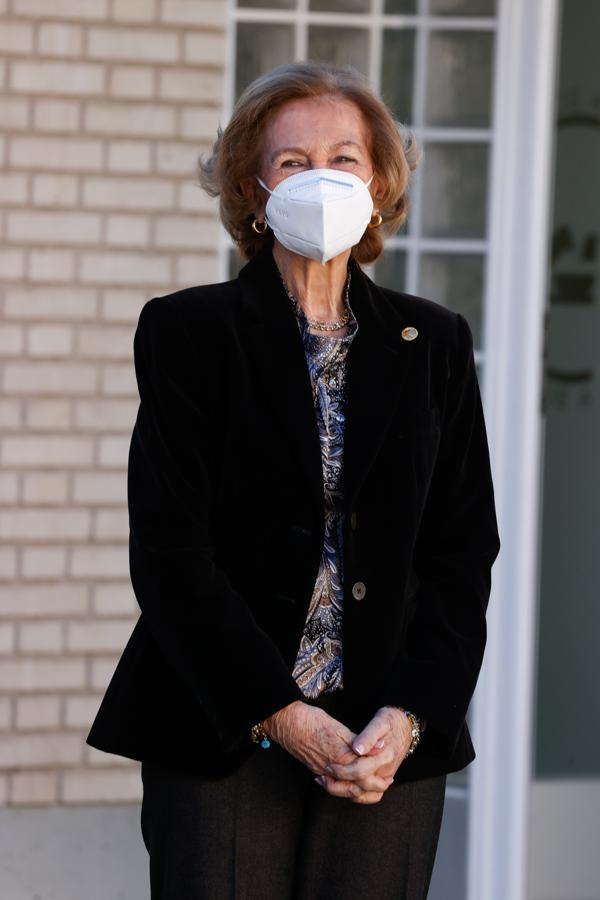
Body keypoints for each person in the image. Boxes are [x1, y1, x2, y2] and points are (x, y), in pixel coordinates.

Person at [86, 60, 501, 899]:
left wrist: (411, 718)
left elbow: (461, 558)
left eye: (345, 159)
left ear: (380, 182)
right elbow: (171, 556)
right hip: (224, 729)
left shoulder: (437, 342)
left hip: (383, 742)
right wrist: (281, 712)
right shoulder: (189, 333)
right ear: (253, 188)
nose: (322, 178)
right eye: (292, 161)